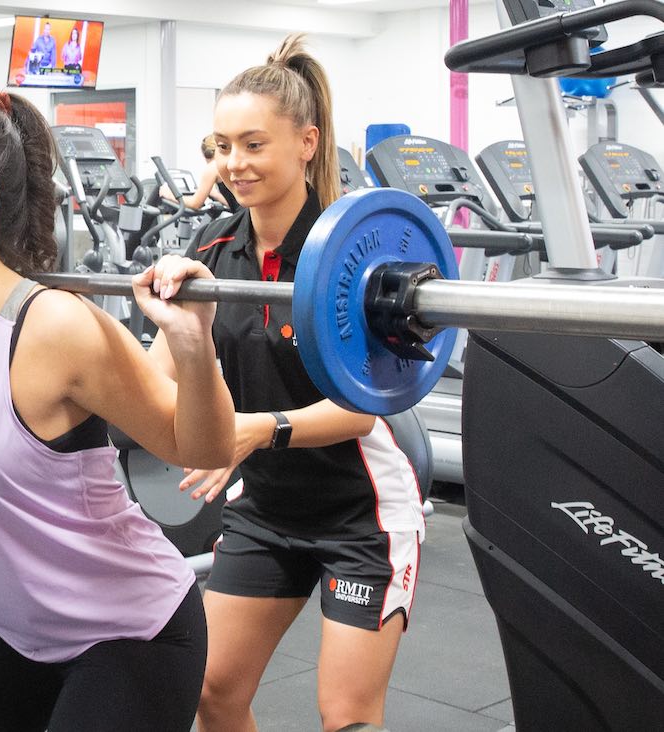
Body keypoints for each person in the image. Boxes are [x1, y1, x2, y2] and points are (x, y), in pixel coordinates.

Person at [0, 82, 236, 731]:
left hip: (127, 631)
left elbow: (200, 450)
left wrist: (193, 344)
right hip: (10, 624)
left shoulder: (56, 327)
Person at [148, 34, 425, 732]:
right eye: (220, 147)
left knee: (347, 717)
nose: (233, 164)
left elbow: (364, 412)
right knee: (212, 692)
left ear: (306, 142)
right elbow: (156, 366)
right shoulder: (211, 250)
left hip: (361, 511)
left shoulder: (357, 257)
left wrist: (254, 431)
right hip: (268, 508)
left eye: (252, 144)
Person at [160, 134, 238, 213]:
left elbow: (195, 204)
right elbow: (236, 204)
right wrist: (215, 194)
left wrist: (168, 194)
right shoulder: (231, 162)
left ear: (205, 154)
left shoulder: (213, 166)